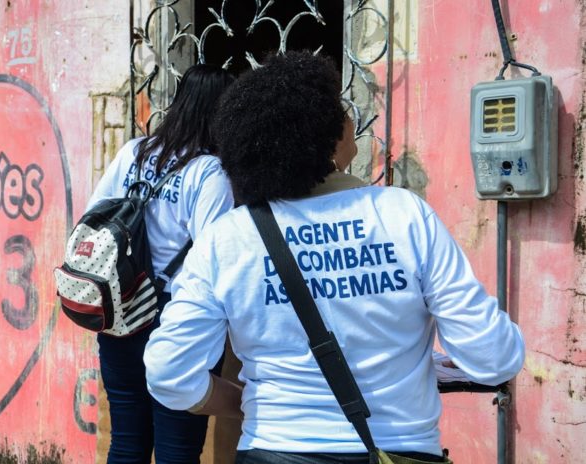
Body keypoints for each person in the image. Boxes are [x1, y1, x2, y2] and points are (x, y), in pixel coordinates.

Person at [143, 52, 525, 463]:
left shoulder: (227, 237)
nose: (350, 121)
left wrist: (250, 405)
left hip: (272, 448)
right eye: (341, 111)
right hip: (399, 449)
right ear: (326, 133)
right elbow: (495, 359)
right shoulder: (404, 215)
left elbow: (169, 373)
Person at [86, 64, 235, 464]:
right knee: (178, 451)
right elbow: (214, 257)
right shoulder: (211, 172)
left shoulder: (133, 152)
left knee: (126, 442)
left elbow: (92, 217)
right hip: (176, 317)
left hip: (120, 308)